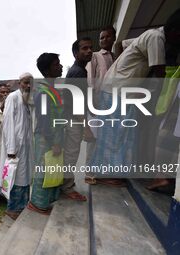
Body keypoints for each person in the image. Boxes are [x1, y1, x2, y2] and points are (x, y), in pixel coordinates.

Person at [90, 8, 180, 185]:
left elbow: (121, 44)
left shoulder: (151, 35)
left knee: (118, 133)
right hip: (118, 89)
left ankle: (107, 173)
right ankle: (104, 175)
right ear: (175, 31)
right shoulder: (156, 38)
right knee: (114, 134)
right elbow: (160, 72)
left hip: (121, 89)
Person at [27, 53, 65, 214]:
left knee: (52, 168)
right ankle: (37, 204)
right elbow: (44, 121)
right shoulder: (43, 92)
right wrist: (54, 142)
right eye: (57, 64)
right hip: (46, 137)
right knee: (43, 170)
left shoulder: (51, 89)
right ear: (48, 70)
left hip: (54, 136)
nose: (61, 66)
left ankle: (46, 201)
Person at [61, 38, 93, 201]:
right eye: (84, 48)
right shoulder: (78, 72)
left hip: (73, 118)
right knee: (71, 155)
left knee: (70, 154)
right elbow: (76, 103)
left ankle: (66, 185)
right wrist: (86, 126)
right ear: (75, 53)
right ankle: (66, 188)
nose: (89, 51)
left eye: (90, 48)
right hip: (73, 119)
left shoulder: (80, 70)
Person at [0, 72, 34, 220]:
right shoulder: (13, 97)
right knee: (16, 177)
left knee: (25, 176)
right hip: (15, 147)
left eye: (30, 83)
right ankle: (12, 209)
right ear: (20, 83)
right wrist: (11, 149)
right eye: (25, 82)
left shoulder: (27, 99)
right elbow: (8, 122)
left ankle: (23, 205)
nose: (28, 85)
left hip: (26, 146)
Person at [85, 26, 116, 183]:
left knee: (107, 138)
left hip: (110, 103)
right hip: (97, 102)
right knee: (94, 138)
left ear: (114, 38)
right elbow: (91, 79)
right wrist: (92, 101)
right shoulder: (95, 56)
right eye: (101, 38)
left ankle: (102, 172)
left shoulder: (116, 57)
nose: (104, 40)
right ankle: (89, 173)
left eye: (107, 37)